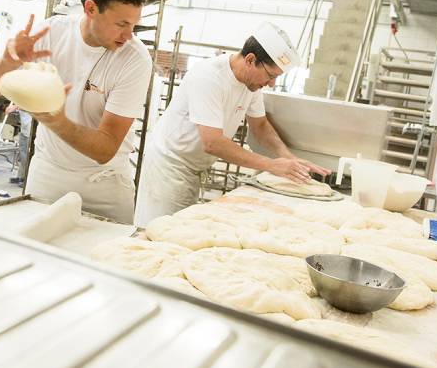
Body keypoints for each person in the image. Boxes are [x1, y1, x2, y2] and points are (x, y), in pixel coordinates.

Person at [0, 0, 152, 223]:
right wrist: (7, 62)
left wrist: (57, 121)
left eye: (134, 25)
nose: (128, 35)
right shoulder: (51, 33)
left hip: (104, 186)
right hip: (48, 177)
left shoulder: (135, 59)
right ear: (91, 8)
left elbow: (105, 149)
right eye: (121, 23)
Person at [133, 22, 330, 227]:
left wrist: (289, 158)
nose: (271, 83)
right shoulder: (209, 78)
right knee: (158, 231)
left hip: (194, 167)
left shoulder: (252, 84)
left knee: (180, 230)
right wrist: (272, 165)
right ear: (250, 59)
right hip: (169, 168)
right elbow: (212, 143)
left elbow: (260, 126)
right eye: (271, 75)